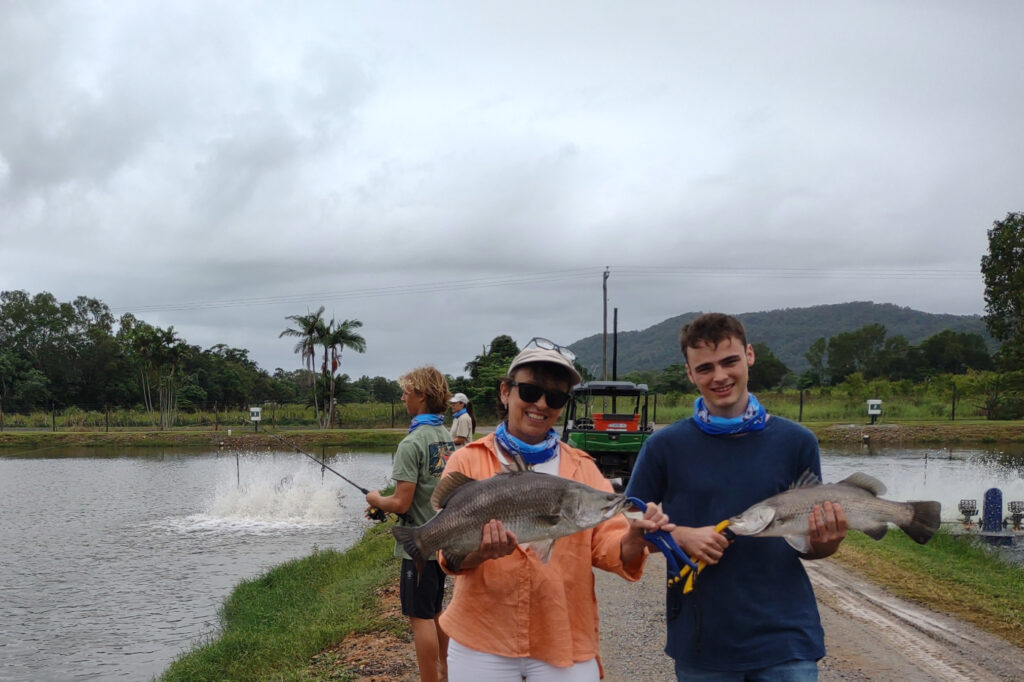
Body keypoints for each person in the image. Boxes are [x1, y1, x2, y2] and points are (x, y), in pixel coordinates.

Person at [625, 313, 848, 681]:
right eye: (705, 368)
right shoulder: (664, 446)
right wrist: (680, 536)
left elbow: (811, 545)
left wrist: (828, 542)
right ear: (690, 374)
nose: (720, 376)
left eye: (730, 361)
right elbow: (630, 518)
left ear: (749, 355)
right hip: (701, 637)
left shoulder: (797, 442)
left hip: (786, 638)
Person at [438, 337, 672, 682]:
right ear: (506, 392)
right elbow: (449, 557)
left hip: (564, 638)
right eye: (530, 392)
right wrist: (480, 553)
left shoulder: (583, 469)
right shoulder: (468, 459)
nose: (541, 404)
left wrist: (636, 538)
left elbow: (606, 544)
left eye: (556, 397)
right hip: (482, 638)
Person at [365, 366, 455, 682]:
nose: (402, 398)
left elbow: (401, 502)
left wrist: (377, 500)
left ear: (421, 395)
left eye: (406, 392)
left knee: (420, 618)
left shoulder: (411, 443)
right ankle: (445, 674)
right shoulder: (446, 438)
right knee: (436, 612)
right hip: (444, 541)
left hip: (418, 547)